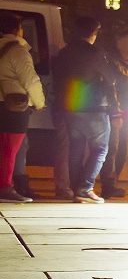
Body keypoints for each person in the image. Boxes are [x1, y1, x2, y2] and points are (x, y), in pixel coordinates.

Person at [52, 16, 117, 204]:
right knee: (100, 149)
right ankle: (85, 188)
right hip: (94, 107)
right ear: (94, 32)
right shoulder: (95, 53)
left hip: (70, 107)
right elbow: (111, 78)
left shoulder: (64, 52)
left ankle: (75, 189)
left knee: (76, 149)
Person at [0, 12, 42, 203]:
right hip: (14, 107)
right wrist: (40, 102)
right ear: (18, 30)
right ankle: (5, 188)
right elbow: (30, 80)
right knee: (10, 149)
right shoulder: (18, 51)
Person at [99, 29, 128, 198]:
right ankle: (108, 184)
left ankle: (112, 182)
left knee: (121, 148)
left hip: (126, 111)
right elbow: (112, 87)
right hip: (117, 112)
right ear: (120, 43)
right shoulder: (113, 63)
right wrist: (116, 112)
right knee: (113, 148)